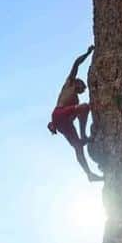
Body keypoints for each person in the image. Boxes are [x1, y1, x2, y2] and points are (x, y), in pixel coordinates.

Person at [48, 46, 102, 182]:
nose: (82, 90)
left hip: (63, 123)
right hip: (59, 114)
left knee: (78, 147)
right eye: (82, 87)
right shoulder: (69, 82)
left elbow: (77, 116)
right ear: (77, 82)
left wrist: (84, 140)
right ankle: (83, 135)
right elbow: (76, 63)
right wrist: (88, 53)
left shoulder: (75, 100)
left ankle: (89, 174)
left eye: (83, 90)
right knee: (85, 107)